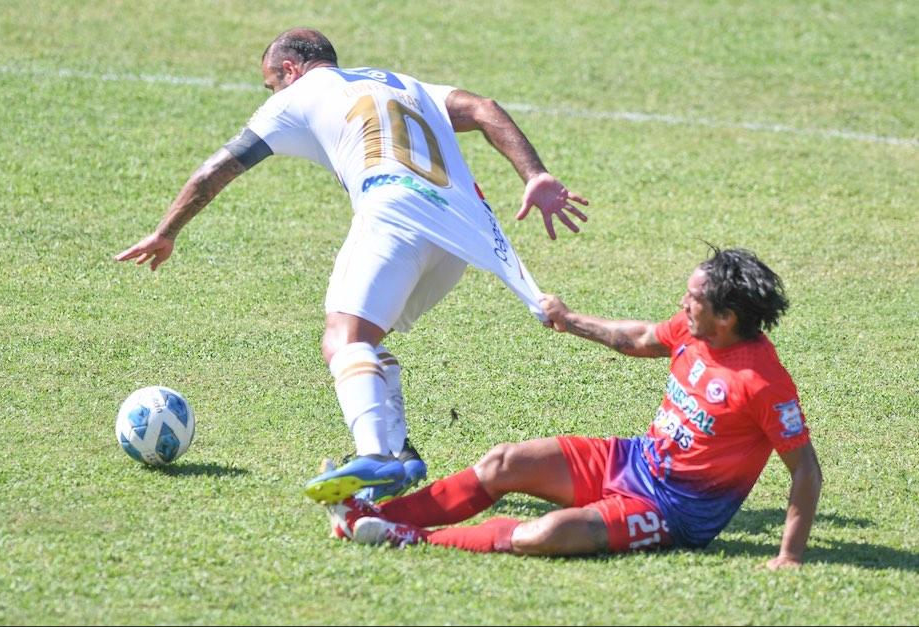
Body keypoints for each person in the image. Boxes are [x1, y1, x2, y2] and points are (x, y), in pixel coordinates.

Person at [114, 28, 589, 503]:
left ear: (289, 70)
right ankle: (400, 453)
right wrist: (536, 173)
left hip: (395, 215)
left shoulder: (297, 94)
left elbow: (218, 168)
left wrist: (166, 231)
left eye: (271, 84)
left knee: (342, 339)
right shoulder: (403, 83)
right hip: (457, 239)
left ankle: (375, 458)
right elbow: (485, 108)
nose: (273, 94)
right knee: (368, 342)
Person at [327, 247, 822, 570]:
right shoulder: (693, 330)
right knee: (504, 462)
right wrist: (569, 319)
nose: (682, 303)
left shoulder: (761, 383)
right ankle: (371, 516)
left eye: (693, 298)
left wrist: (790, 556)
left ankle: (407, 538)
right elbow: (641, 338)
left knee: (544, 535)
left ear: (726, 317)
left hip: (673, 511)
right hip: (634, 460)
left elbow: (805, 470)